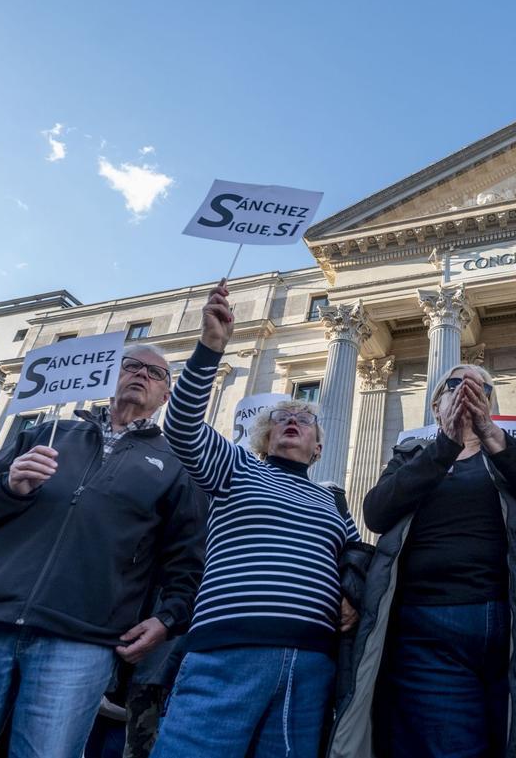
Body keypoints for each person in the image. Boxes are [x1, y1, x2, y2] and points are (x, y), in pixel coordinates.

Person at [0, 343, 206, 758]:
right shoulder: (45, 433)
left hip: (82, 639)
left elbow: (186, 559)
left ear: (166, 396)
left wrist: (169, 618)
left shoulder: (177, 466)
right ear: (107, 375)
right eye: (130, 365)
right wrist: (8, 488)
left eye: (155, 374)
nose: (141, 375)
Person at [151, 279, 366, 758]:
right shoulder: (236, 467)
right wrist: (210, 346)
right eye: (281, 418)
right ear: (265, 439)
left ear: (319, 445)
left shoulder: (333, 500)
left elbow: (357, 560)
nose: (292, 420)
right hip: (226, 654)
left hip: (310, 665)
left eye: (304, 419)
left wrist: (350, 594)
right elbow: (182, 425)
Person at [330, 363, 516, 758]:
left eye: (483, 387)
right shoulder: (411, 456)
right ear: (438, 404)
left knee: (511, 741)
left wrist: (491, 436)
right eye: (456, 383)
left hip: (509, 621)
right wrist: (446, 445)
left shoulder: (505, 454)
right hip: (430, 626)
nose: (470, 389)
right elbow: (376, 513)